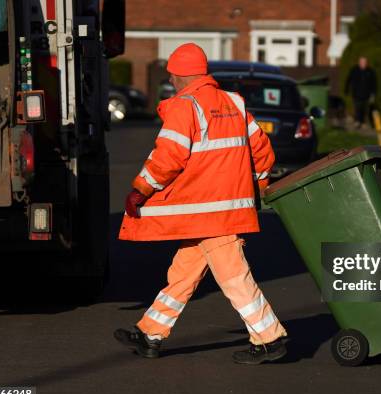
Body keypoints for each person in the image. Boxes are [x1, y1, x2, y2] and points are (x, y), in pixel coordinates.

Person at [114, 43, 288, 364]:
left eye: (172, 76)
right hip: (223, 211)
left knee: (233, 276)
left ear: (180, 76)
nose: (171, 81)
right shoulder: (234, 103)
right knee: (182, 273)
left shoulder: (185, 106)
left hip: (208, 212)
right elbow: (261, 149)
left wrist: (140, 189)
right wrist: (260, 185)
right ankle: (150, 333)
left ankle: (269, 338)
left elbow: (168, 156)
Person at [344, 56, 377, 129]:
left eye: (365, 62)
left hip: (366, 94)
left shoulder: (370, 71)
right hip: (356, 93)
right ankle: (357, 121)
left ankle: (363, 122)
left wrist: (373, 93)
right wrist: (346, 89)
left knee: (365, 109)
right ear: (359, 62)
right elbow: (348, 79)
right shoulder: (354, 70)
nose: (363, 64)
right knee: (357, 108)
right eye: (362, 62)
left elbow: (374, 83)